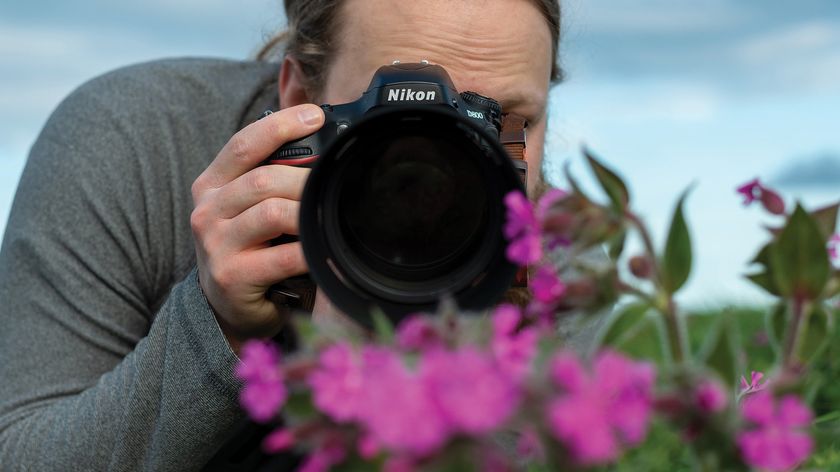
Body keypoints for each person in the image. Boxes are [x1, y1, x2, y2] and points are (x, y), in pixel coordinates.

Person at [0, 0, 570, 469]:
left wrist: (465, 363)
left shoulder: (566, 255)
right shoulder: (135, 145)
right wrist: (218, 326)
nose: (440, 168)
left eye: (503, 120)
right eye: (396, 120)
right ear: (296, 98)